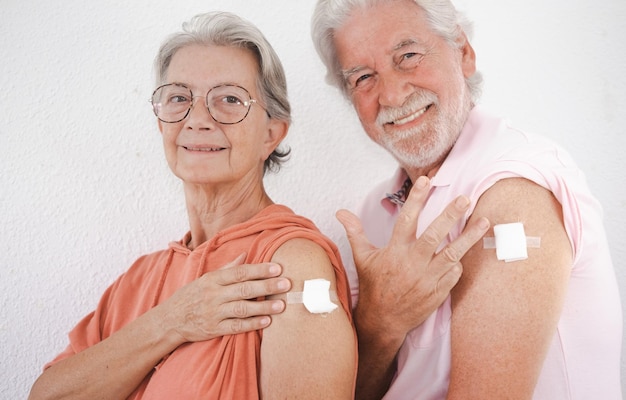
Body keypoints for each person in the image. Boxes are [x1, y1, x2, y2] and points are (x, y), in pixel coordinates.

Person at [29, 11, 359, 399]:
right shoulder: (137, 280)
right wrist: (170, 321)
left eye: (230, 99)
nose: (198, 119)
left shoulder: (288, 265)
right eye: (179, 98)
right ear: (161, 124)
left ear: (271, 133)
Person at [311, 0, 623, 399]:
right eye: (364, 77)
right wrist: (380, 322)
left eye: (408, 56)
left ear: (463, 52)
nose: (390, 94)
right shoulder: (374, 214)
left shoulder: (514, 187)